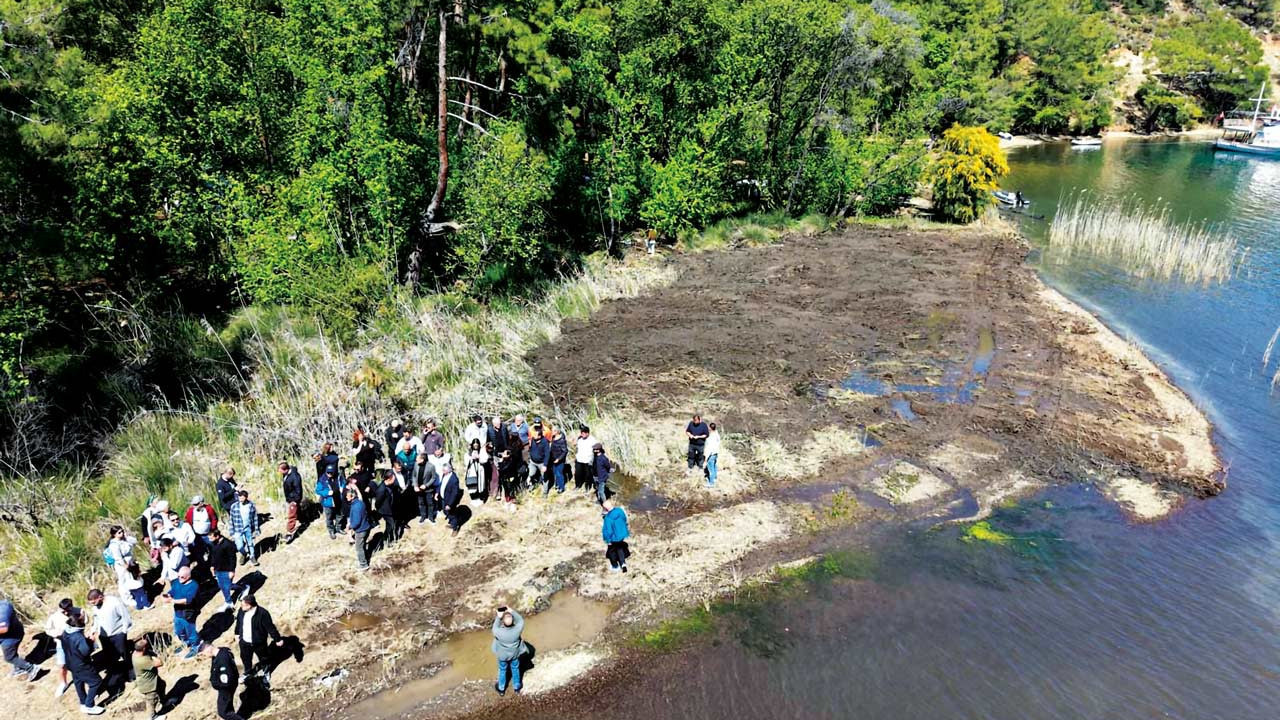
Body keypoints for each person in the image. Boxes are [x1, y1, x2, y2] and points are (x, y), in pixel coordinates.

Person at [87, 588, 131, 696]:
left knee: (123, 653)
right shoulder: (95, 607)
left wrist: (123, 632)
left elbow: (125, 616)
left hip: (118, 633)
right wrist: (93, 630)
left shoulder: (114, 602)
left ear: (100, 597)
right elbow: (96, 619)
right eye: (91, 603)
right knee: (110, 656)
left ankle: (129, 672)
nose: (93, 605)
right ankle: (117, 674)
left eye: (94, 602)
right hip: (104, 636)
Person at [234, 594, 283, 686]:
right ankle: (248, 673)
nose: (241, 607)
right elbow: (239, 622)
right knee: (245, 659)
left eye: (243, 605)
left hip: (258, 642)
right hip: (244, 642)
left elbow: (270, 627)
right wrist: (237, 633)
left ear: (249, 605)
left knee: (264, 658)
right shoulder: (241, 611)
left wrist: (277, 639)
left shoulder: (262, 613)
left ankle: (266, 672)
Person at [60, 609, 103, 714]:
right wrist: (91, 641)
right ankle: (89, 705)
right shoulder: (78, 637)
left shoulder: (65, 632)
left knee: (78, 682)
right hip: (81, 664)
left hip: (70, 662)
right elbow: (85, 652)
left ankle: (83, 702)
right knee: (96, 682)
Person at [165, 566, 203, 658]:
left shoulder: (194, 585)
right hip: (178, 613)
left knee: (190, 631)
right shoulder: (176, 583)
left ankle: (195, 646)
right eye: (178, 576)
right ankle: (185, 643)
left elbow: (187, 600)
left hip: (188, 614)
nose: (179, 579)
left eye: (182, 577)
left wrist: (172, 600)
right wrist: (167, 595)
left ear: (188, 576)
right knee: (179, 631)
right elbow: (172, 591)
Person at [0, 597, 40, 683]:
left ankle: (31, 668)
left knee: (9, 657)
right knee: (12, 653)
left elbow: (4, 629)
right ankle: (18, 667)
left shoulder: (3, 610)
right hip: (10, 634)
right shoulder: (5, 603)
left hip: (11, 637)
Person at [490, 606, 525, 696]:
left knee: (502, 670)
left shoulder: (498, 631)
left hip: (502, 656)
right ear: (513, 621)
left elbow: (494, 627)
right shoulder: (517, 630)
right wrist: (511, 611)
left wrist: (499, 616)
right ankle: (517, 687)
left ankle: (501, 689)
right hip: (514, 655)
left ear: (503, 622)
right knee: (515, 668)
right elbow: (521, 620)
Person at [132, 637, 168, 720]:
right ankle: (152, 717)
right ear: (144, 648)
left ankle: (164, 701)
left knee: (162, 685)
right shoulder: (142, 660)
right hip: (148, 685)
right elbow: (160, 663)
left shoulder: (135, 653)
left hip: (153, 680)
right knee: (151, 701)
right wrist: (155, 655)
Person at [206, 644, 244, 720]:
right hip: (226, 686)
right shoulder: (219, 654)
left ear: (208, 649)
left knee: (223, 712)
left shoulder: (223, 659)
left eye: (204, 654)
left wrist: (219, 685)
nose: (205, 656)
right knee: (228, 708)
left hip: (225, 688)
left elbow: (226, 676)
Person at [208, 527, 242, 612]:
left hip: (226, 569)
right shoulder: (213, 543)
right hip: (218, 569)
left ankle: (229, 602)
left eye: (211, 538)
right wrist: (212, 566)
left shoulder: (227, 544)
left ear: (217, 536)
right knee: (222, 586)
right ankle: (242, 587)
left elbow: (232, 558)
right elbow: (213, 555)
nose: (210, 540)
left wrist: (232, 570)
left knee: (226, 586)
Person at [45, 598, 73, 697]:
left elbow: (85, 622)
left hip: (75, 643)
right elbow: (48, 629)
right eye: (63, 611)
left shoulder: (78, 612)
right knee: (62, 665)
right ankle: (63, 683)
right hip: (62, 644)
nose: (65, 612)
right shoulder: (54, 617)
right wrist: (56, 634)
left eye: (67, 610)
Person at [105, 524, 139, 598]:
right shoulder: (114, 545)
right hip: (122, 565)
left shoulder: (124, 540)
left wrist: (127, 537)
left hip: (130, 561)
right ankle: (127, 597)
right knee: (123, 581)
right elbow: (118, 557)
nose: (122, 533)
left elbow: (135, 541)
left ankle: (135, 594)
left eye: (122, 531)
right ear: (114, 534)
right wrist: (124, 565)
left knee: (131, 579)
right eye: (119, 533)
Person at [229, 489, 259, 566]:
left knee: (250, 543)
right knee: (239, 546)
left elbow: (255, 517)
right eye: (239, 497)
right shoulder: (234, 506)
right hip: (237, 529)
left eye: (242, 497)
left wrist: (256, 528)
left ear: (246, 497)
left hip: (248, 527)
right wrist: (231, 531)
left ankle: (252, 556)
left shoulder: (251, 505)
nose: (241, 499)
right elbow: (231, 519)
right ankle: (244, 553)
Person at [346, 488, 372, 571]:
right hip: (366, 527)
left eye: (347, 496)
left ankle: (363, 565)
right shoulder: (360, 502)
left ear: (352, 496)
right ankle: (365, 557)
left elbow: (357, 522)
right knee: (363, 544)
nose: (346, 497)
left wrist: (350, 527)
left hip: (361, 530)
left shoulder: (356, 506)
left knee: (359, 548)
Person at [601, 499, 630, 572]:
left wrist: (607, 540)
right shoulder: (619, 510)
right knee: (619, 548)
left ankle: (615, 566)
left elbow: (608, 531)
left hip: (614, 538)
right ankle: (623, 564)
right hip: (622, 534)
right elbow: (624, 518)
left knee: (611, 552)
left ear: (605, 509)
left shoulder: (608, 518)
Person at [279, 461, 304, 544]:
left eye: (281, 471)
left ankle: (290, 533)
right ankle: (303, 519)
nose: (279, 472)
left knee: (291, 516)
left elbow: (298, 490)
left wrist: (295, 501)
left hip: (294, 499)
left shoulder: (295, 477)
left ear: (285, 470)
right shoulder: (286, 474)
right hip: (290, 498)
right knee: (296, 512)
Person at [316, 464, 344, 539]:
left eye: (331, 472)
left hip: (338, 499)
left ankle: (339, 528)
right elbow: (318, 490)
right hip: (328, 501)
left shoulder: (339, 476)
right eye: (328, 472)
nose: (329, 474)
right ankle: (331, 530)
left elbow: (343, 483)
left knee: (340, 515)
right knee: (329, 517)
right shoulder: (322, 479)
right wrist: (327, 493)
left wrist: (342, 488)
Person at [411, 454, 440, 524]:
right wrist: (415, 485)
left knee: (430, 503)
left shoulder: (431, 466)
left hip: (428, 489)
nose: (416, 460)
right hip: (418, 489)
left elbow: (433, 478)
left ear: (422, 460)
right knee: (421, 503)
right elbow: (414, 475)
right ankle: (423, 516)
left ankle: (431, 517)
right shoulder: (416, 464)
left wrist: (426, 485)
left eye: (417, 459)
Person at [373, 470, 399, 549]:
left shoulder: (389, 486)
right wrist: (380, 509)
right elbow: (378, 502)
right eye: (393, 478)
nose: (395, 480)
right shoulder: (381, 489)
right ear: (388, 479)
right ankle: (386, 539)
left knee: (389, 525)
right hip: (385, 510)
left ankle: (389, 539)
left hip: (390, 508)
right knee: (391, 525)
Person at [574, 425, 598, 493]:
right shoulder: (579, 439)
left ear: (587, 433)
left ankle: (587, 488)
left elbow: (596, 451)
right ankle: (577, 486)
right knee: (578, 474)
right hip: (579, 459)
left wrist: (593, 460)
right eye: (581, 432)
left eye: (584, 433)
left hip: (588, 460)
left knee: (588, 475)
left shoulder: (593, 440)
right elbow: (577, 448)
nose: (582, 434)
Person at [441, 465, 463, 537]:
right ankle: (452, 523)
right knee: (445, 511)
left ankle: (455, 527)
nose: (442, 471)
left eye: (444, 470)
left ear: (449, 470)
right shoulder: (445, 475)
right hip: (444, 498)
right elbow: (442, 485)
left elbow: (454, 493)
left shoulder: (454, 480)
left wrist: (449, 504)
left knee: (451, 514)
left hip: (449, 501)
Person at [548, 426, 568, 494]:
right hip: (553, 459)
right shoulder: (553, 438)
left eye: (553, 431)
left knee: (559, 473)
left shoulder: (562, 440)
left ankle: (561, 487)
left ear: (557, 432)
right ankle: (557, 484)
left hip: (559, 460)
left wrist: (559, 459)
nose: (552, 432)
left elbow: (565, 451)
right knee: (555, 472)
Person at [528, 426, 549, 491]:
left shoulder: (545, 442)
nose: (533, 435)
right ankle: (531, 486)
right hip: (533, 462)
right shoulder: (532, 440)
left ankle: (545, 492)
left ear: (539, 436)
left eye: (535, 435)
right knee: (531, 474)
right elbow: (531, 449)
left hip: (541, 463)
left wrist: (545, 465)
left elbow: (547, 454)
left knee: (544, 477)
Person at [704, 422, 721, 487]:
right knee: (714, 466)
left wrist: (705, 459)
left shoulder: (710, 437)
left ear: (710, 428)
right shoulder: (717, 434)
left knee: (710, 469)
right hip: (716, 453)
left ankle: (711, 483)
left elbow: (709, 449)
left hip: (711, 454)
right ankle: (715, 478)